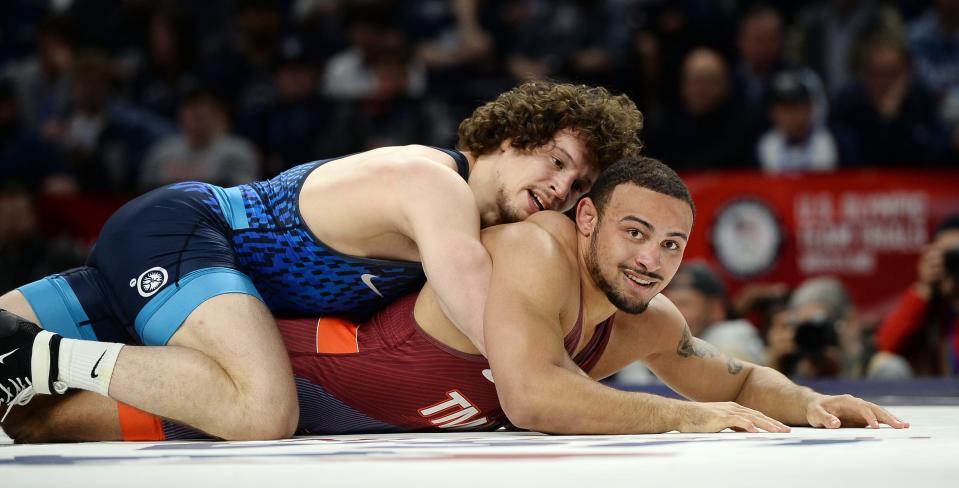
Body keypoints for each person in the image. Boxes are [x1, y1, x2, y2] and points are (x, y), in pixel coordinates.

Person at [3, 157, 907, 442]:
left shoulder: (648, 322)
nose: (653, 261)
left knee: (31, 423)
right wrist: (681, 422)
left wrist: (813, 404)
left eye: (671, 246)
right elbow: (533, 394)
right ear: (584, 217)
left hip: (336, 404)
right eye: (634, 234)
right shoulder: (532, 254)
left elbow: (734, 376)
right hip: (304, 360)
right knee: (227, 398)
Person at [0, 81, 644, 440]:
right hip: (188, 235)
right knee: (261, 412)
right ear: (510, 138)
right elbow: (490, 328)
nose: (562, 189)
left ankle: (23, 350)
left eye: (580, 184)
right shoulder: (435, 186)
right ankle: (43, 358)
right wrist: (565, 394)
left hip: (192, 271)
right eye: (556, 162)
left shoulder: (463, 217)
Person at [767, 277, 911, 379]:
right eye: (805, 328)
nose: (813, 336)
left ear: (850, 322)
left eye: (821, 327)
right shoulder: (788, 366)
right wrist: (775, 367)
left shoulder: (882, 371)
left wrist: (842, 370)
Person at [876, 215, 959, 375]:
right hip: (931, 393)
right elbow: (887, 345)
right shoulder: (925, 304)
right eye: (947, 256)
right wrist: (924, 288)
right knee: (888, 364)